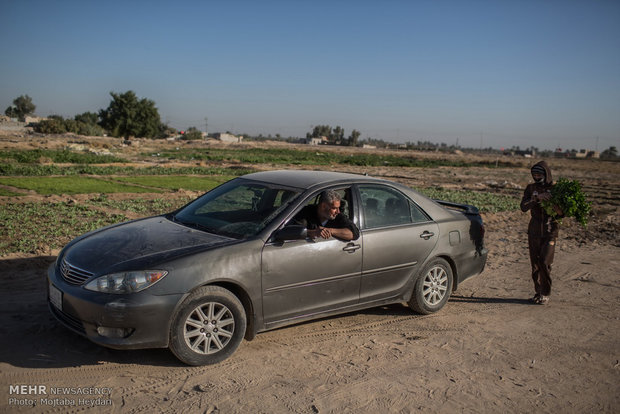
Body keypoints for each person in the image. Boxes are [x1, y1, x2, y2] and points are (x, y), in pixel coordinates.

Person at [520, 161, 562, 305]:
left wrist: (551, 202)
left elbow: (562, 213)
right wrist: (536, 198)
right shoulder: (531, 188)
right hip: (534, 231)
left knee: (544, 262)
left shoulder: (555, 189)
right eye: (534, 174)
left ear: (546, 174)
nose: (536, 176)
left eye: (539, 174)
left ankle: (545, 292)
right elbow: (523, 207)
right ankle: (538, 292)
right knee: (535, 264)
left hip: (550, 231)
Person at [294, 189, 360, 241]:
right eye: (334, 208)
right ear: (323, 206)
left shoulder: (339, 216)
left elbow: (354, 234)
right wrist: (312, 232)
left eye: (338, 208)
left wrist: (330, 231)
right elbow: (292, 231)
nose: (338, 211)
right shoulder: (305, 213)